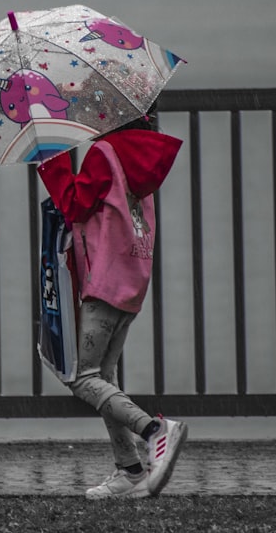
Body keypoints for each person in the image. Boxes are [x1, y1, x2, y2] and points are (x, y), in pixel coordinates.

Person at [36, 108, 187, 499]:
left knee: (82, 378)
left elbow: (75, 205)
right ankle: (130, 470)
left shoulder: (105, 152)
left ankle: (155, 431)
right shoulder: (142, 155)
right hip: (131, 276)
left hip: (104, 281)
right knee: (104, 376)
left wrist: (51, 161)